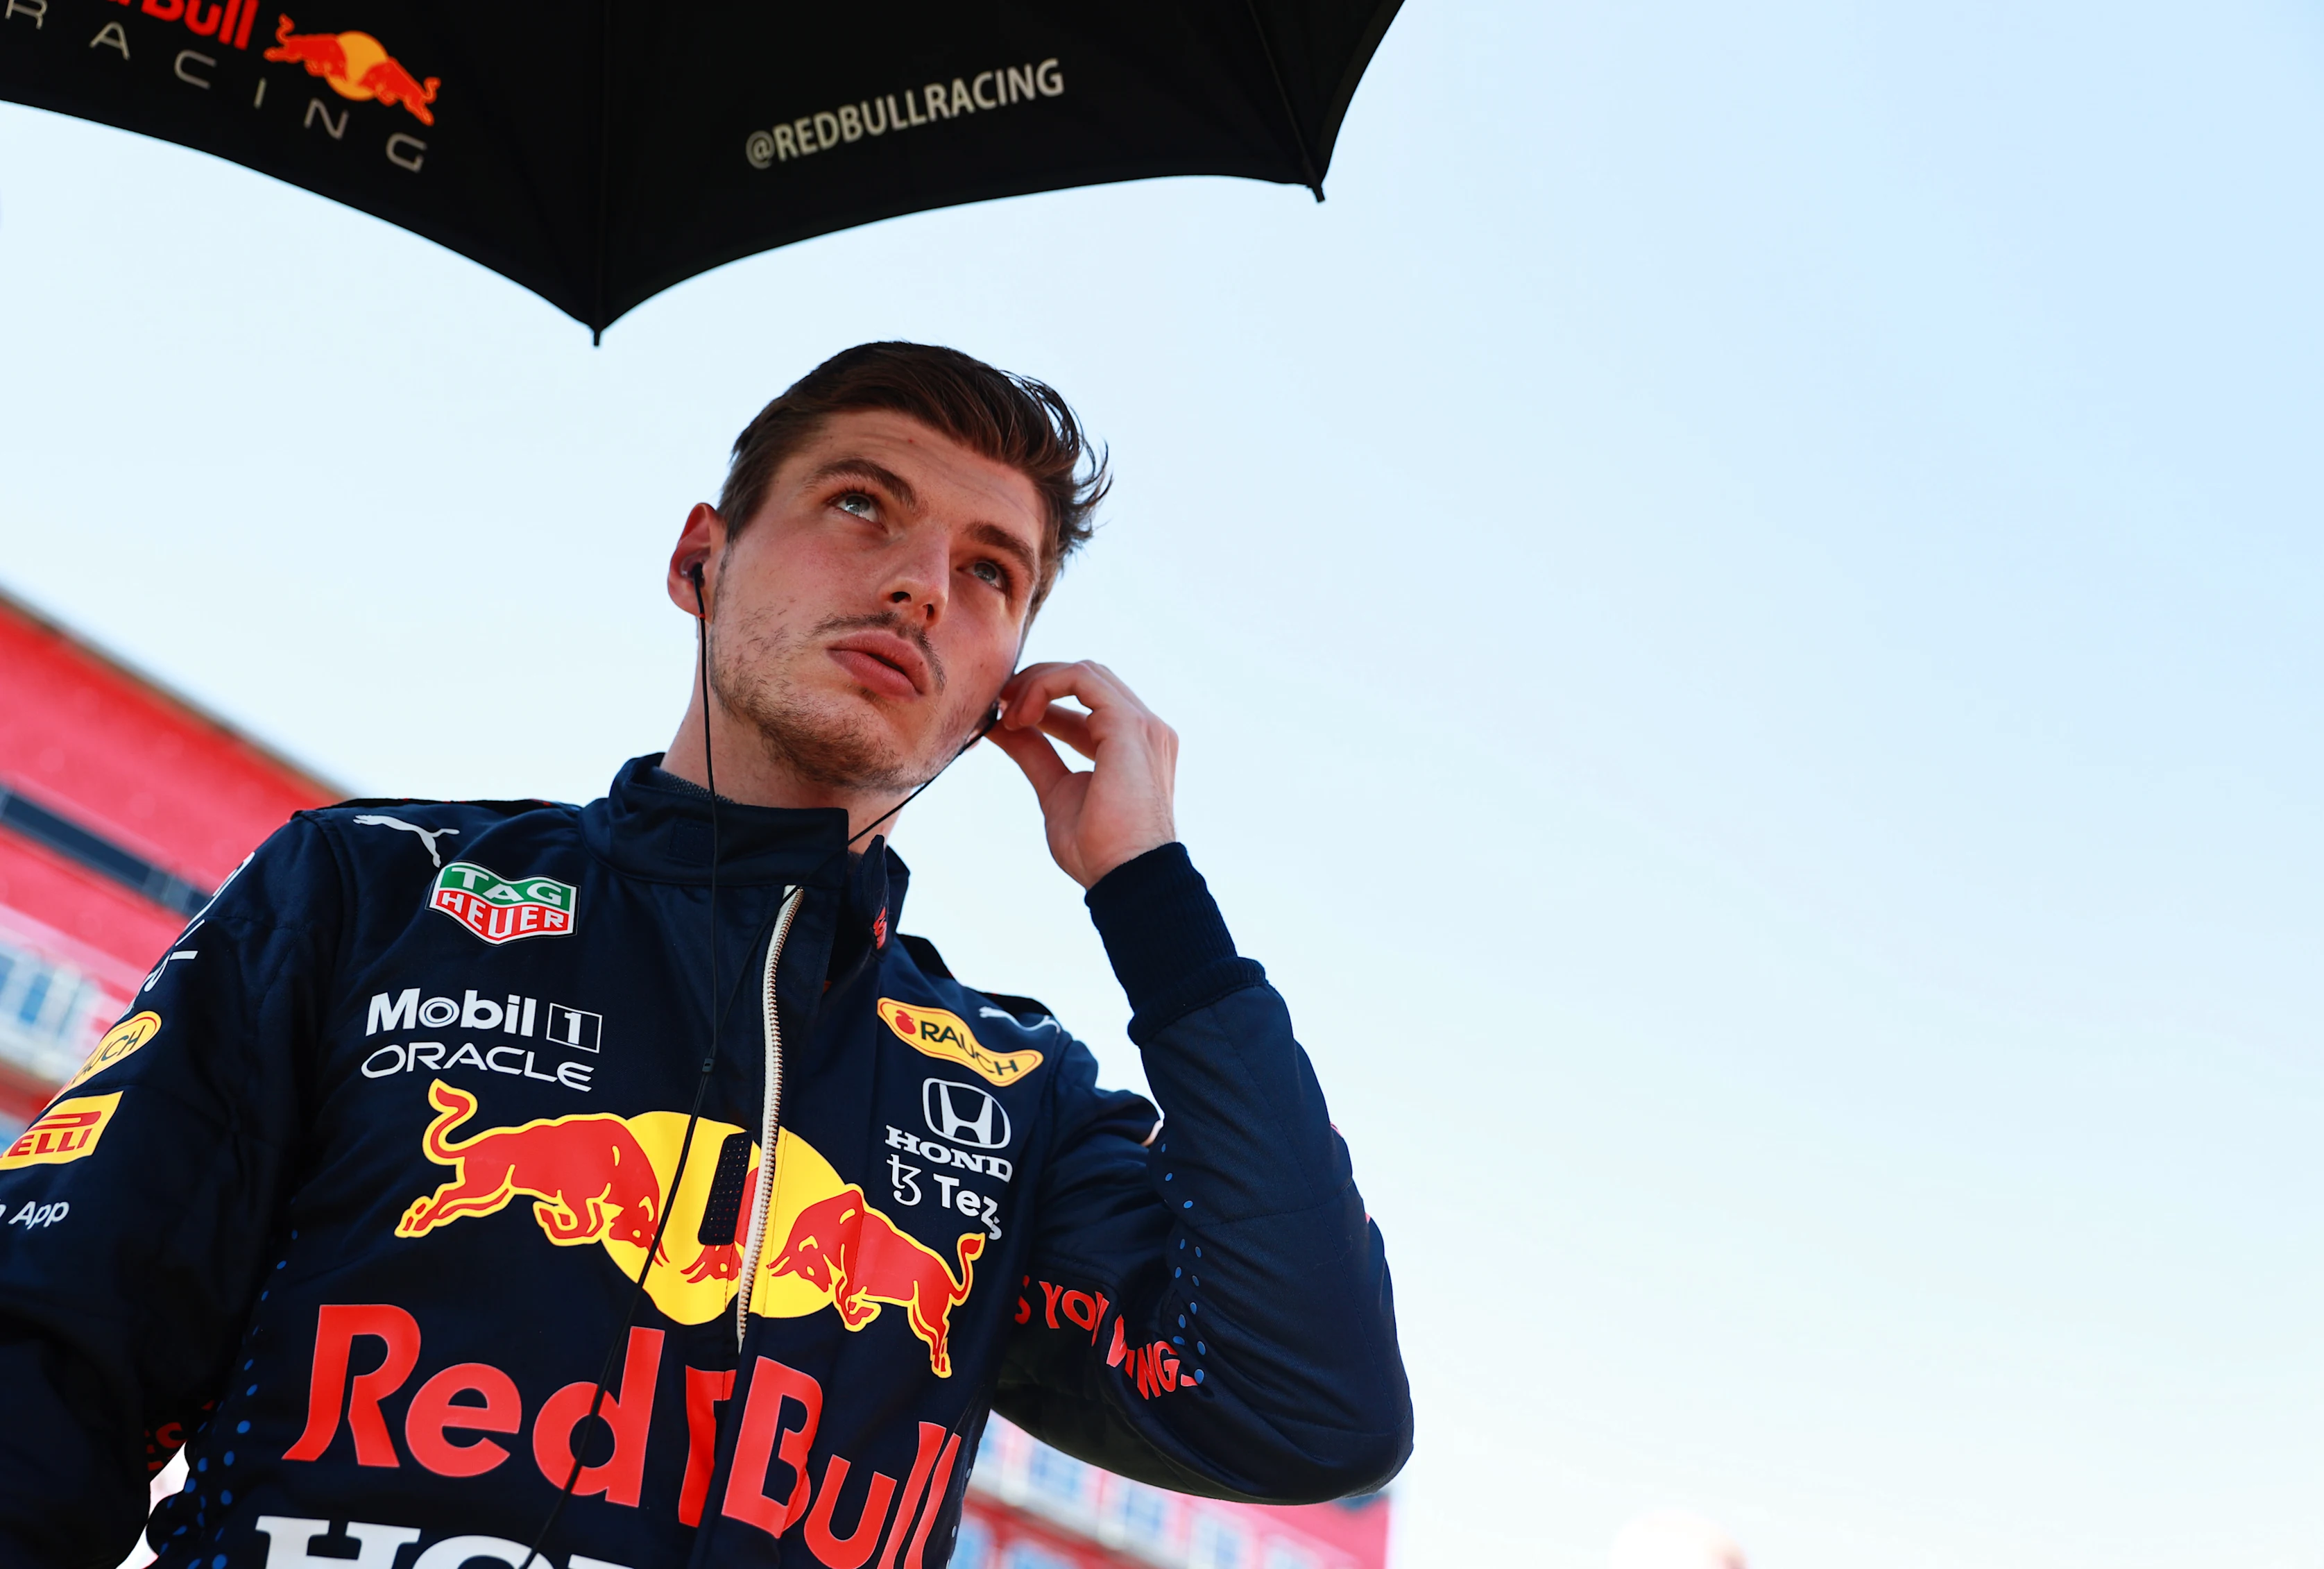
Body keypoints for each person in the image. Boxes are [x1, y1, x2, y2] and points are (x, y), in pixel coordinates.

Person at [0, 343, 1411, 1569]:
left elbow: (1311, 1402)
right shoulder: (369, 892)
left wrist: (1151, 896)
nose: (923, 584)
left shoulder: (1013, 1096)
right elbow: (48, 1369)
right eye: (862, 503)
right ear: (699, 558)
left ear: (1004, 692)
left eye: (991, 572)